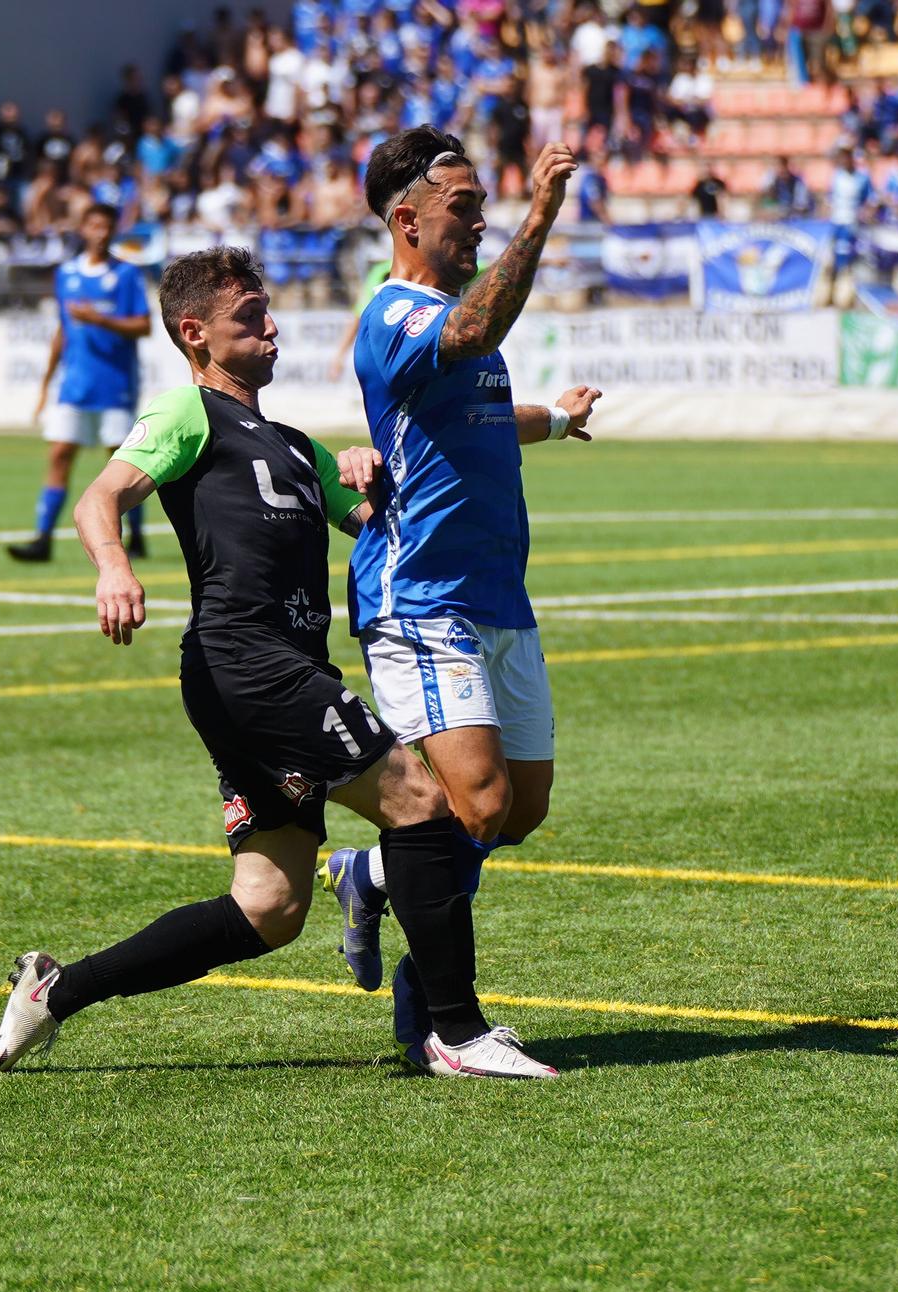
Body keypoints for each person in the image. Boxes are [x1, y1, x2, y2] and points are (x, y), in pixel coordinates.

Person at [0, 246, 556, 1081]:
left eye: (269, 310)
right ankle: (456, 1033)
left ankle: (56, 990)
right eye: (250, 317)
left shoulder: (292, 443)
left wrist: (367, 468)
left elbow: (380, 516)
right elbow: (101, 497)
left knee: (272, 906)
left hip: (267, 670)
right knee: (423, 805)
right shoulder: (189, 415)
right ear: (195, 332)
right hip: (246, 661)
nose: (273, 327)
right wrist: (113, 565)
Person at [318, 127, 602, 1067]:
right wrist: (542, 212)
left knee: (520, 809)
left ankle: (373, 874)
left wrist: (555, 419)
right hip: (422, 596)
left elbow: (480, 410)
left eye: (485, 205)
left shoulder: (452, 320)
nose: (478, 221)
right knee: (471, 807)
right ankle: (450, 1026)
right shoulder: (399, 313)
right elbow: (475, 331)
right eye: (463, 207)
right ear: (406, 219)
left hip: (498, 597)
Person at [8, 203, 153, 563]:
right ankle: (42, 539)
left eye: (106, 227)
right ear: (83, 229)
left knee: (122, 462)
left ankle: (136, 537)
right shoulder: (67, 273)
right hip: (75, 384)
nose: (100, 233)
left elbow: (144, 325)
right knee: (59, 454)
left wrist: (100, 319)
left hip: (115, 384)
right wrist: (45, 382)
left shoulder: (126, 275)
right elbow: (63, 330)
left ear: (113, 230)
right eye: (93, 226)